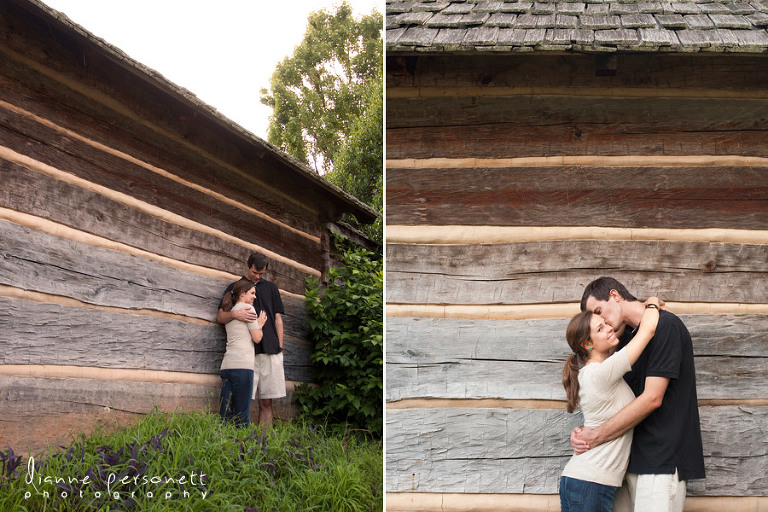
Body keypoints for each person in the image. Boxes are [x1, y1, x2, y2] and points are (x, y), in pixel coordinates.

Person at [571, 277, 705, 512]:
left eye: (599, 311)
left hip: (660, 464)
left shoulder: (667, 326)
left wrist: (596, 436)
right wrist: (583, 435)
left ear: (615, 295)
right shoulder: (622, 343)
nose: (601, 321)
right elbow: (607, 400)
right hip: (626, 468)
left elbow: (653, 398)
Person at [559, 296, 660, 511]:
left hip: (584, 482)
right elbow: (648, 329)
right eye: (600, 328)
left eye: (606, 324)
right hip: (590, 484)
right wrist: (652, 301)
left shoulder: (594, 373)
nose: (609, 328)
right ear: (587, 344)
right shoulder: (602, 373)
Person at [217, 253, 286, 426]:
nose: (257, 276)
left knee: (267, 402)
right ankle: (241, 442)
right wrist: (234, 314)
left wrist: (280, 346)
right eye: (255, 272)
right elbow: (220, 317)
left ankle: (263, 445)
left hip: (270, 350)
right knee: (243, 401)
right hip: (247, 355)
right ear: (247, 265)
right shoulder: (235, 288)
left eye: (261, 274)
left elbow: (278, 319)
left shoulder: (271, 288)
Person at [218, 279, 267, 427]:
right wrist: (260, 325)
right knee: (242, 415)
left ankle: (223, 443)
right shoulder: (249, 310)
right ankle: (243, 446)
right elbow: (257, 338)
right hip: (243, 367)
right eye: (252, 293)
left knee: (226, 413)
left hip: (227, 366)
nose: (255, 297)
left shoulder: (230, 311)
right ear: (242, 293)